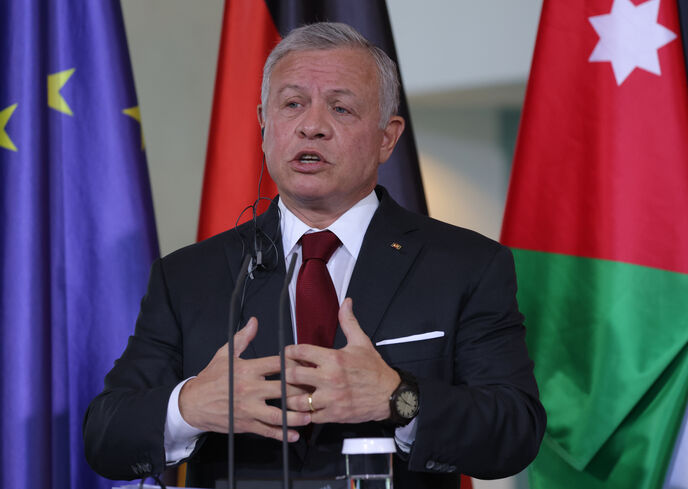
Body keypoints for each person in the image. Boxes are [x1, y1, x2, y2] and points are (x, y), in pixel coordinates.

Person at [83, 22, 545, 489]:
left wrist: (397, 397)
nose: (312, 126)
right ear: (265, 124)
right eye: (292, 104)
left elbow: (515, 431)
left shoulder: (464, 264)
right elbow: (105, 436)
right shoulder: (188, 276)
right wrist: (190, 406)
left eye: (341, 108)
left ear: (387, 137)